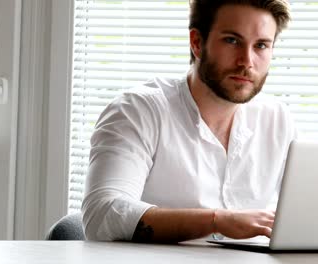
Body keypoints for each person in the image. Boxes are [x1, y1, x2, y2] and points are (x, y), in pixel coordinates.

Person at [81, 0, 297, 243]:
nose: (246, 61)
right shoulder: (138, 111)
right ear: (196, 42)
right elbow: (102, 217)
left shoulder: (278, 119)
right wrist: (217, 220)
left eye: (261, 45)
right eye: (232, 40)